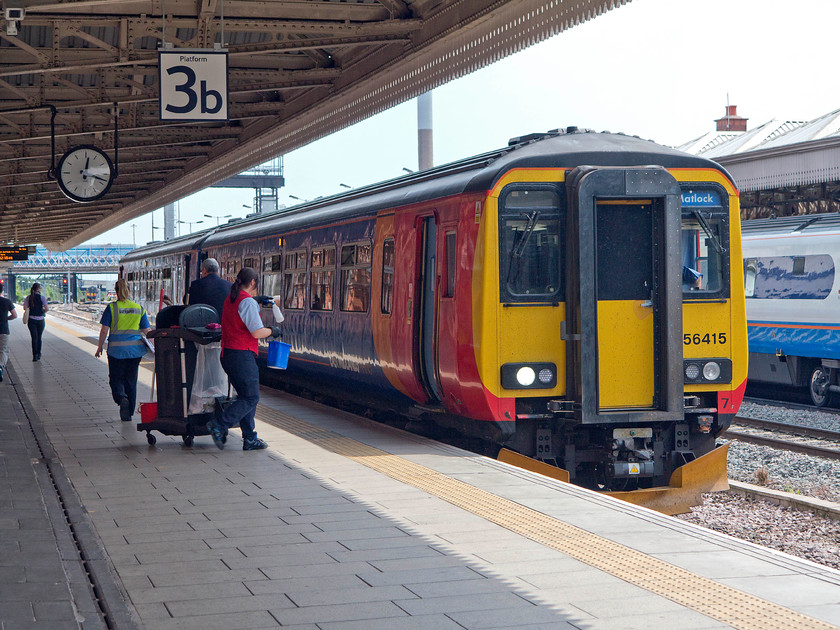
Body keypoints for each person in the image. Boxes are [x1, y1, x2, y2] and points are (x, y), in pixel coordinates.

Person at [207, 267, 282, 451]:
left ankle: (249, 438)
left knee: (245, 396)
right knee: (251, 397)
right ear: (254, 283)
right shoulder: (246, 303)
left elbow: (240, 312)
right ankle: (219, 424)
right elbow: (256, 332)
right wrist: (273, 331)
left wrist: (255, 300)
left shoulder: (231, 299)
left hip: (228, 355)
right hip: (242, 355)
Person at [95, 279, 152, 422]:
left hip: (116, 352)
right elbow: (147, 330)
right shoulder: (138, 308)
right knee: (131, 380)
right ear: (129, 290)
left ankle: (121, 398)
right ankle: (129, 413)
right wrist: (154, 345)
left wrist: (100, 346)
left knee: (116, 378)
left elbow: (104, 330)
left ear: (116, 291)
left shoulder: (112, 308)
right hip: (135, 351)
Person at [23, 283, 48, 361]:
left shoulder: (28, 298)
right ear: (38, 289)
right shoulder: (42, 298)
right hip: (40, 320)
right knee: (39, 337)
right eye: (40, 288)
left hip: (31, 320)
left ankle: (35, 355)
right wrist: (42, 311)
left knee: (34, 338)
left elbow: (24, 307)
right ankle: (39, 353)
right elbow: (47, 308)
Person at [0, 289, 16, 382]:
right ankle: (0, 367)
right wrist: (6, 318)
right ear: (2, 290)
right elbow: (14, 315)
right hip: (3, 330)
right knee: (3, 350)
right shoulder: (7, 301)